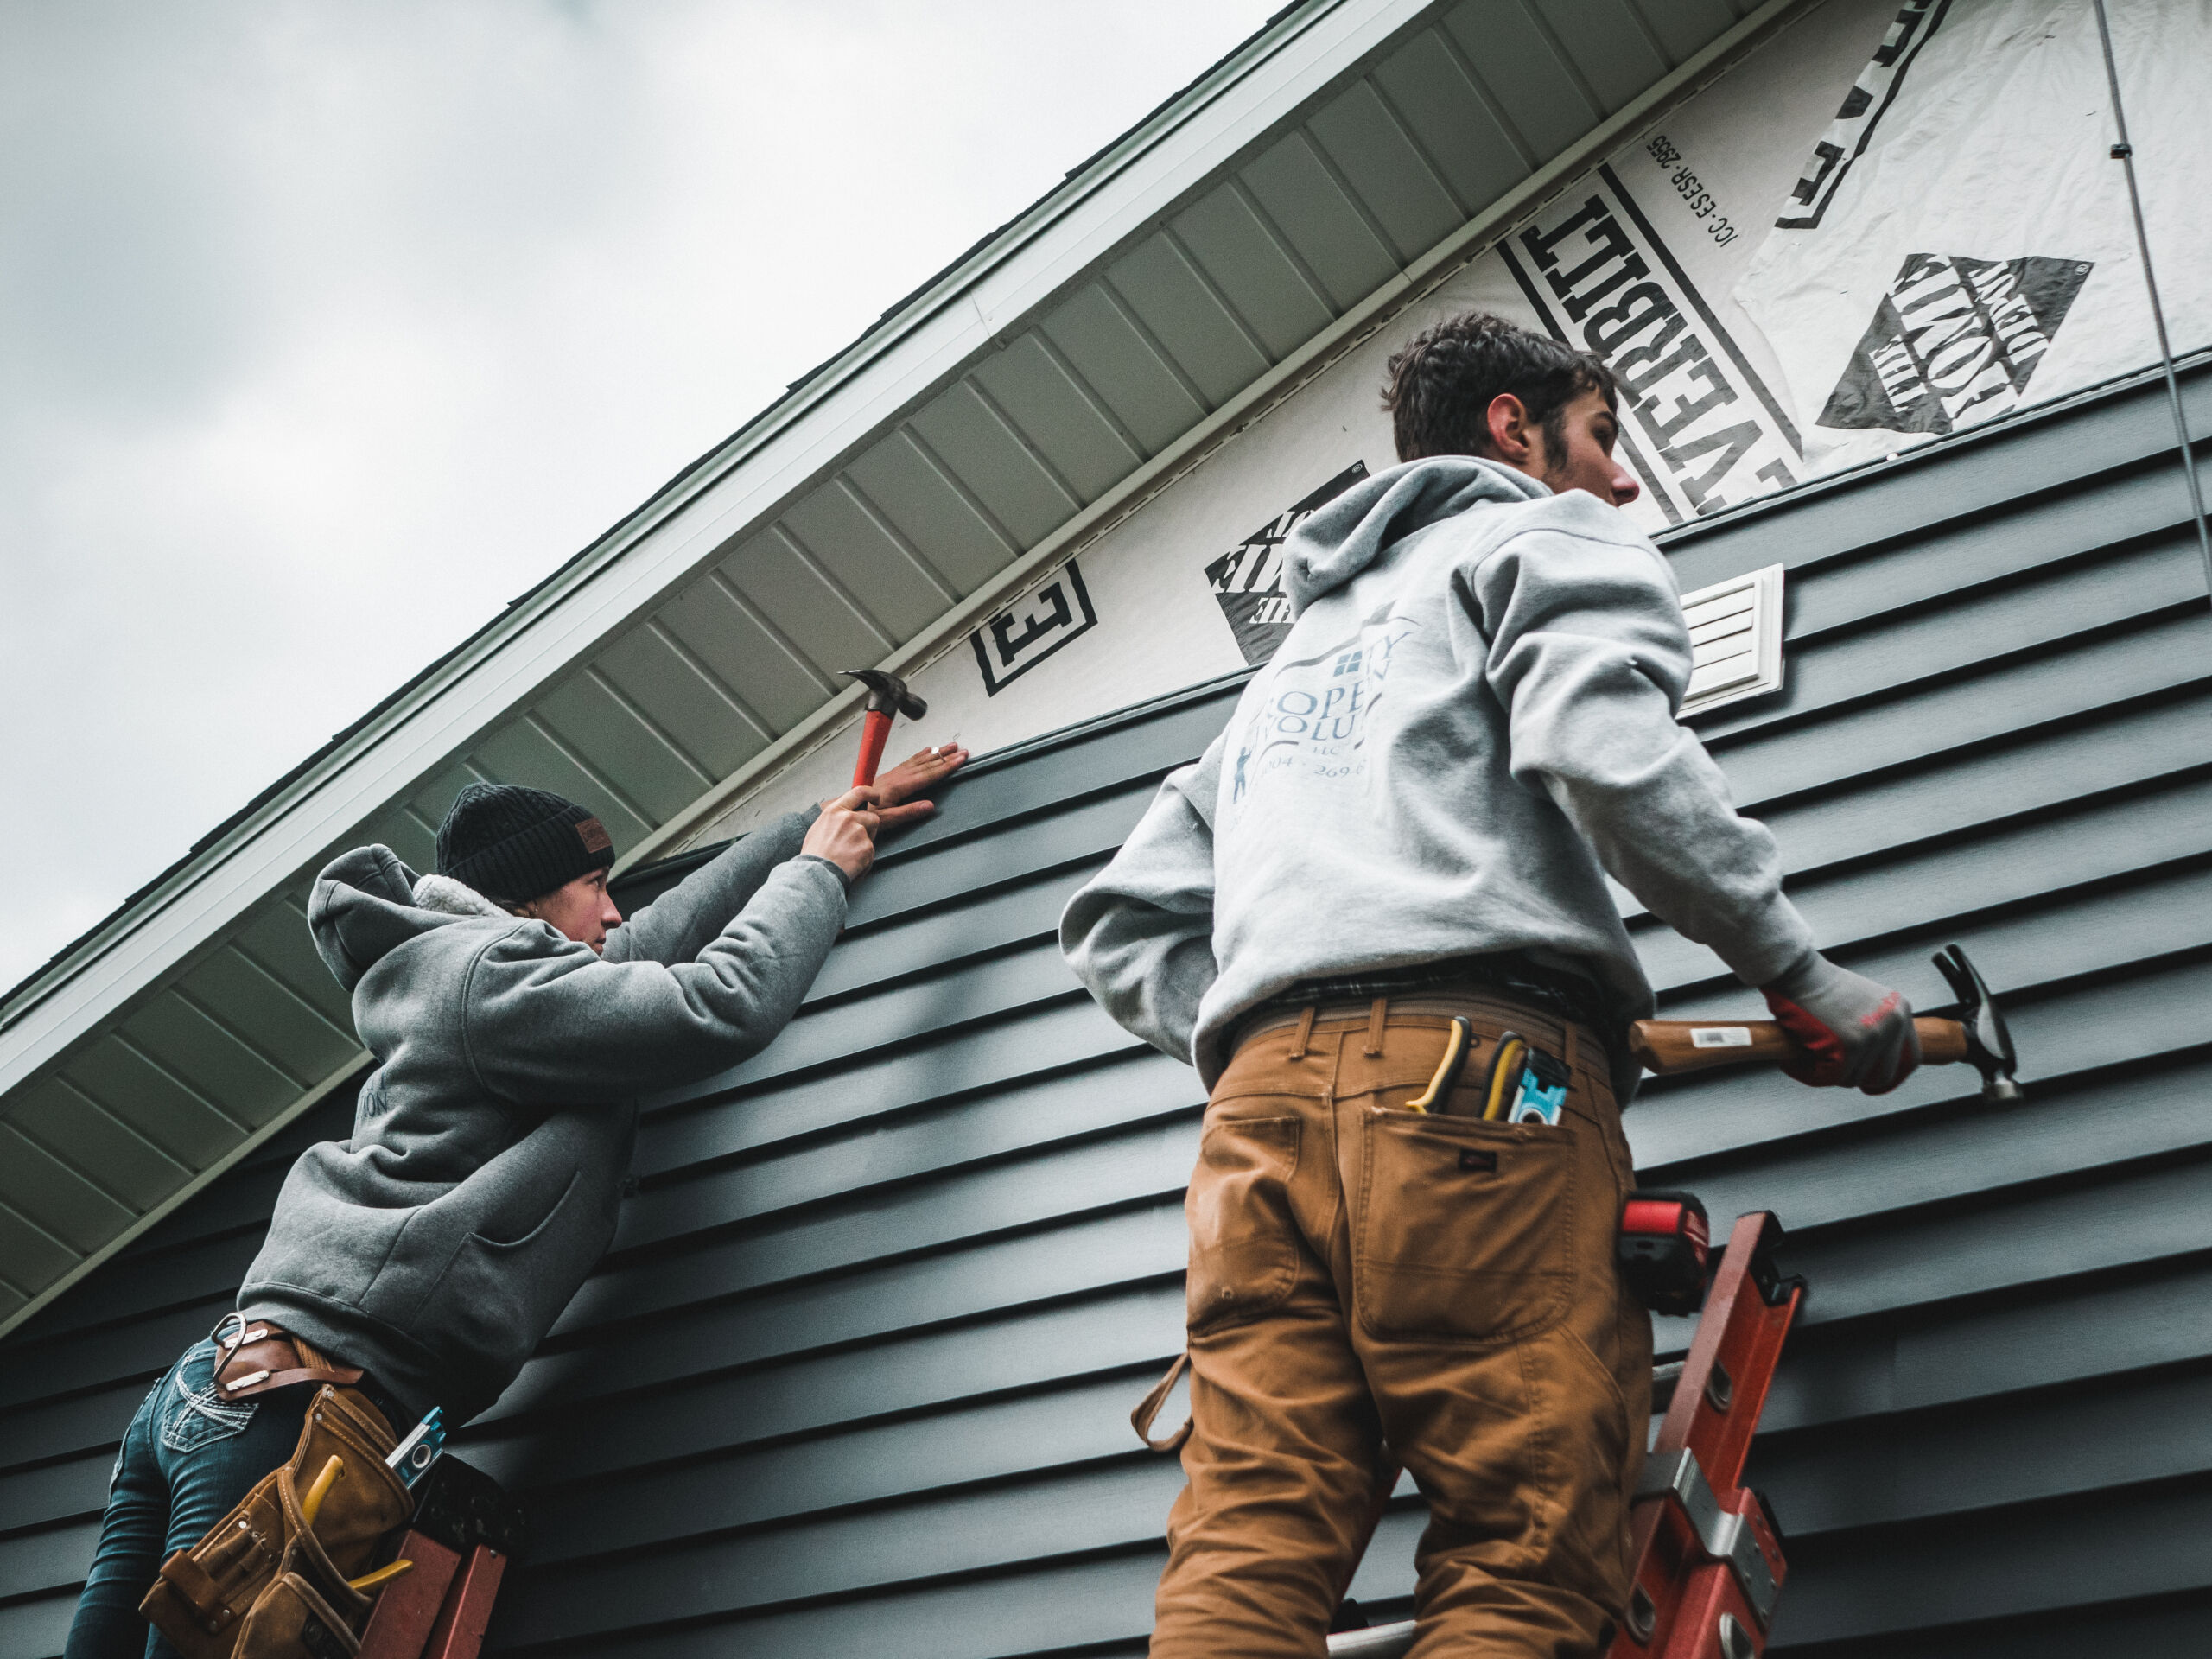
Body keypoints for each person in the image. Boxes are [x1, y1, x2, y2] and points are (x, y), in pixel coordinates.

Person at [1061, 312, 1915, 1657]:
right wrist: (1799, 972)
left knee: (1250, 1545)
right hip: (1487, 1087)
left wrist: (1285, 1050)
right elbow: (1607, 747)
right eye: (1602, 441)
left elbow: (1117, 921)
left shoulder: (1285, 676)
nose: (1624, 483)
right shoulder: (1538, 535)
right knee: (1527, 1540)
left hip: (1256, 1126)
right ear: (1515, 431)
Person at [65, 742, 966, 1659]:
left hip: (220, 1390)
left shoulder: (476, 977)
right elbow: (717, 1003)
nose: (615, 908)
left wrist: (807, 824)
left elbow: (642, 949)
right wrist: (818, 872)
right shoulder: (491, 978)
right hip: (297, 1409)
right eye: (594, 885)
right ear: (531, 899)